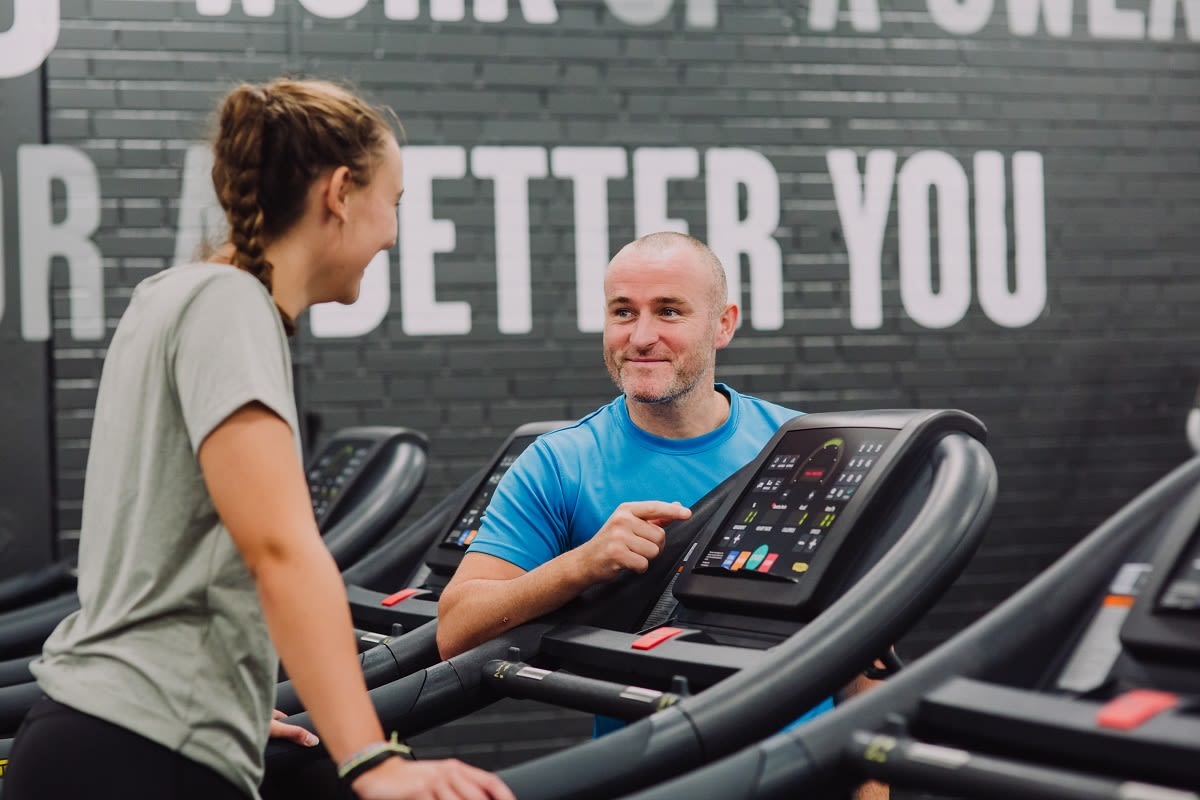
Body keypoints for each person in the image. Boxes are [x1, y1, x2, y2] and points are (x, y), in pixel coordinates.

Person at [7, 78, 513, 800]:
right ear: (339, 192)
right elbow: (278, 550)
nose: (394, 234)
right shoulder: (233, 306)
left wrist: (227, 704)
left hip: (107, 730)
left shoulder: (175, 292)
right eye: (392, 205)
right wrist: (372, 761)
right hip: (139, 751)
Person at [437, 231, 886, 800]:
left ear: (723, 323)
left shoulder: (811, 449)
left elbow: (864, 647)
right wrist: (581, 566)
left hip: (802, 776)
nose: (642, 336)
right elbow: (456, 630)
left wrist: (871, 791)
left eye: (669, 311)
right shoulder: (560, 463)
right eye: (623, 312)